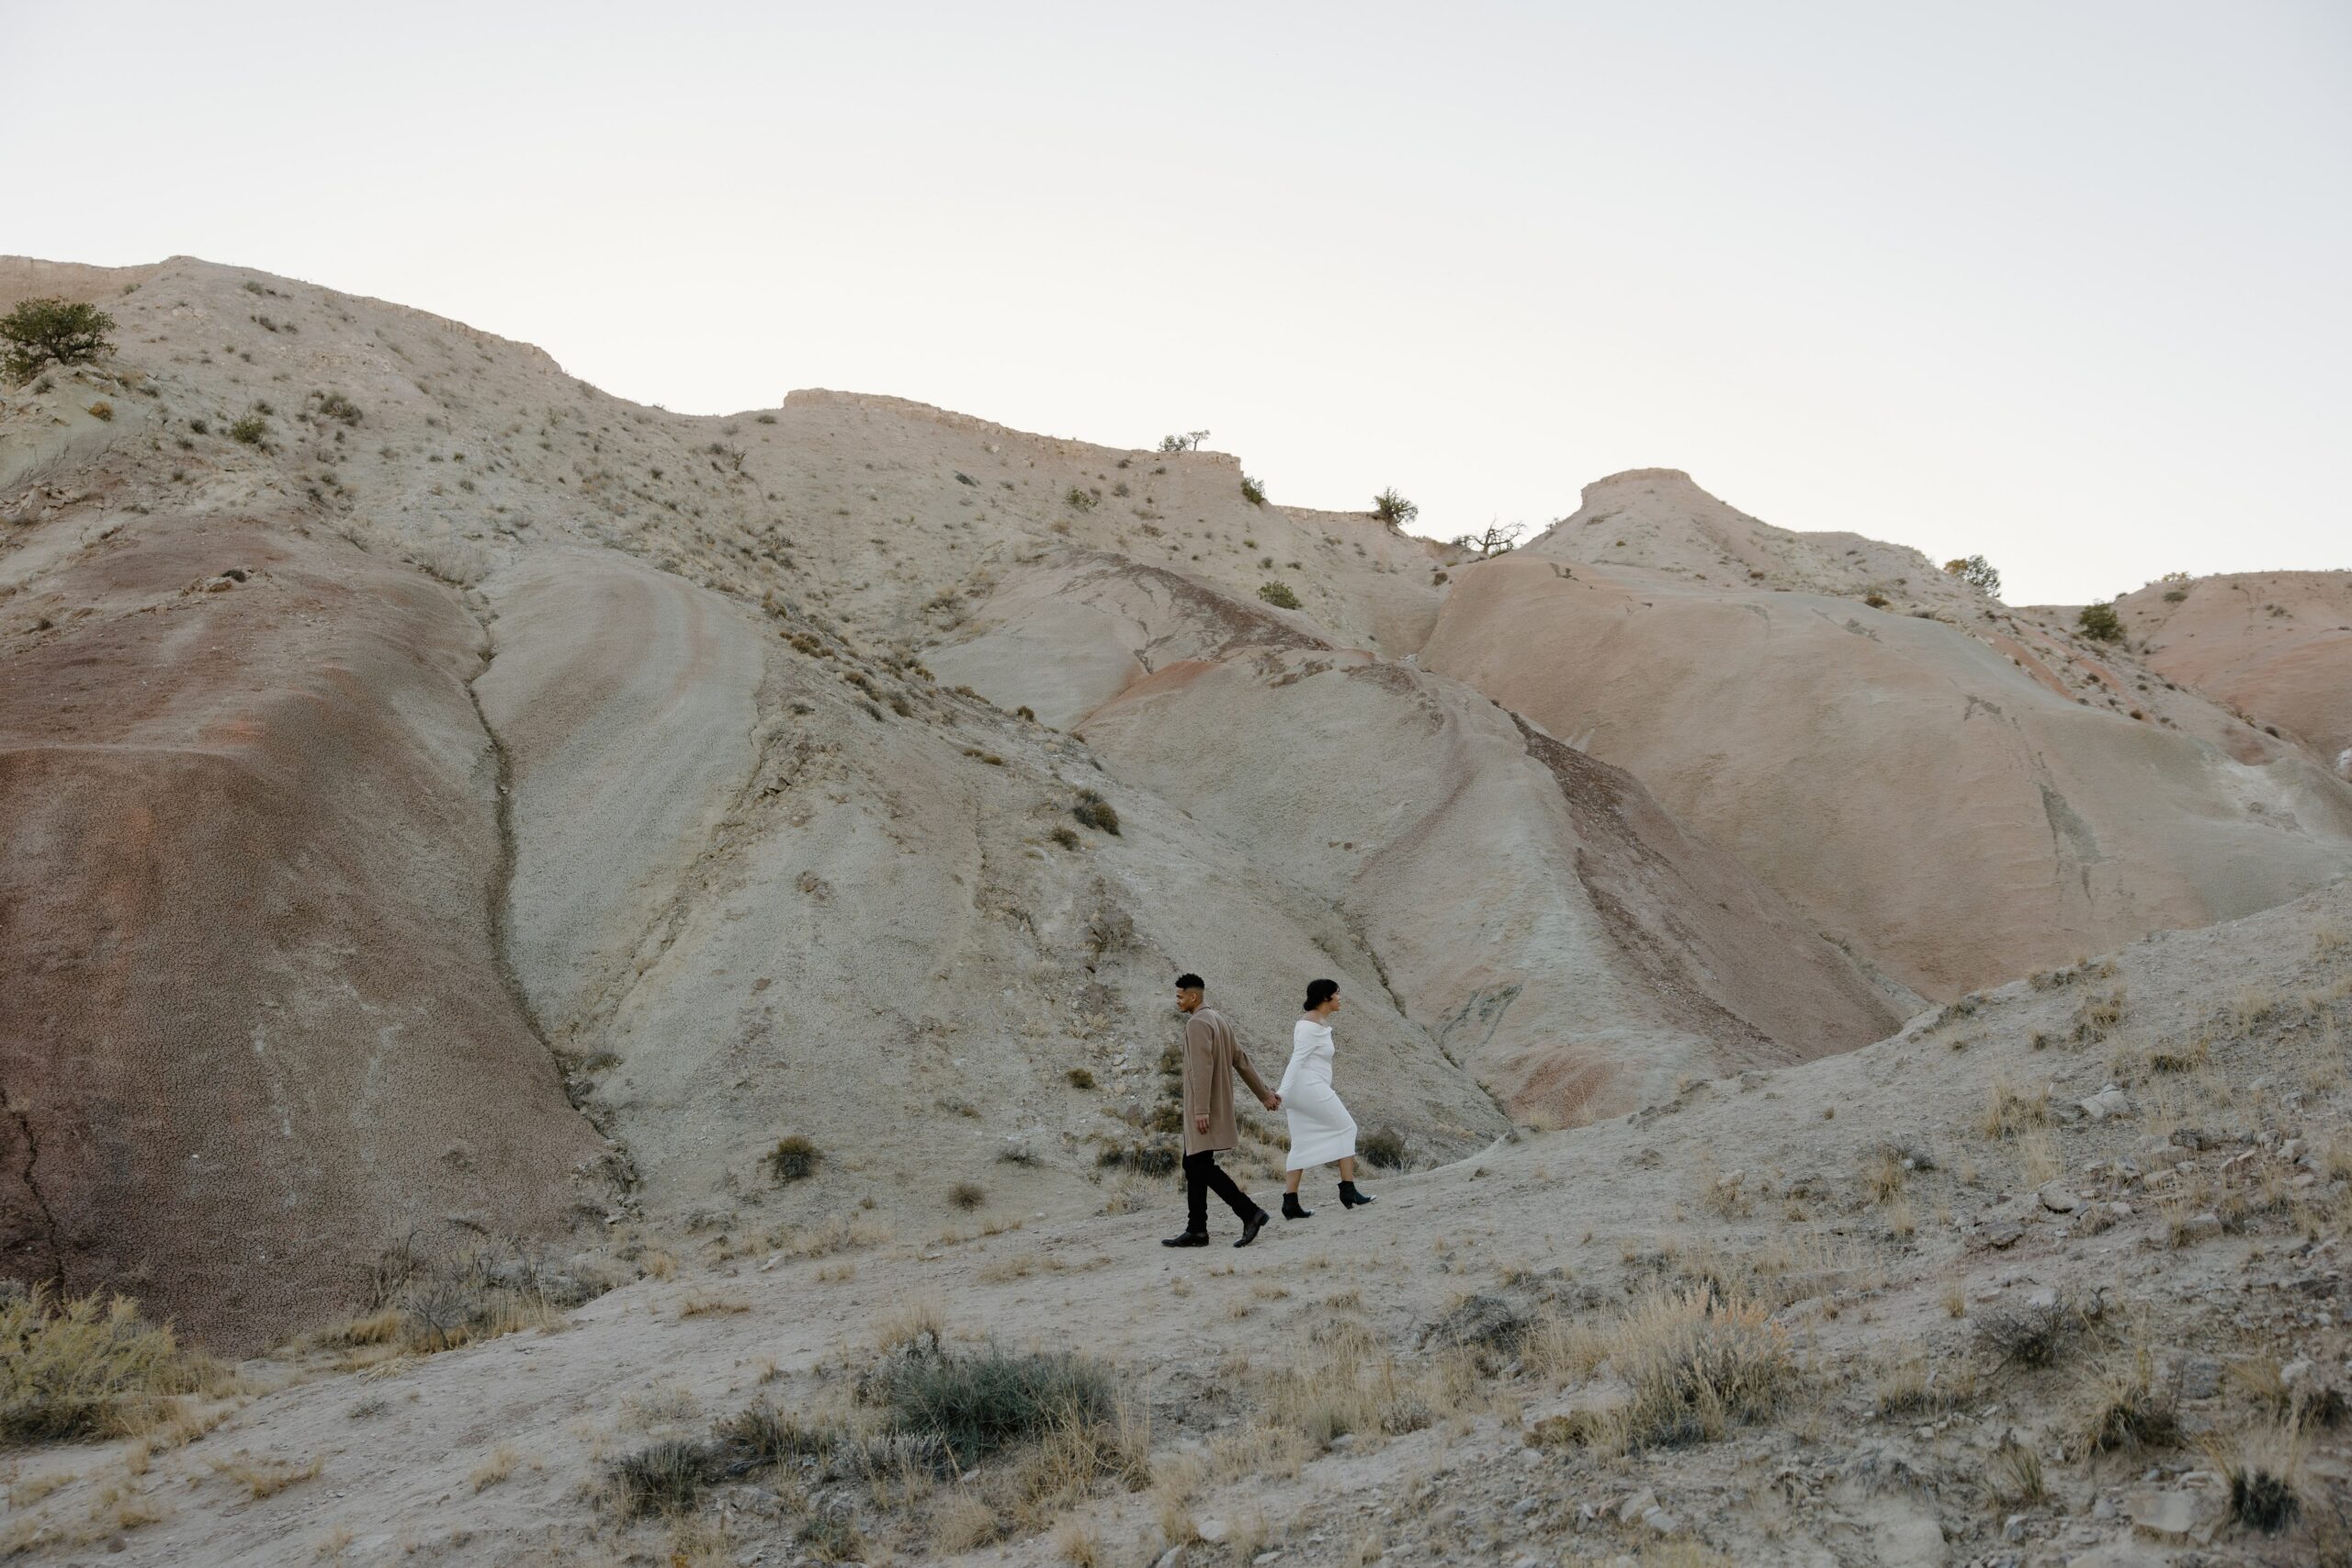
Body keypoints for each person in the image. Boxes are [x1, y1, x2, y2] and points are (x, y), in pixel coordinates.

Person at [1164, 973, 1281, 1249]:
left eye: (1180, 996)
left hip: (1203, 1108)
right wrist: (1264, 1095)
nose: (1177, 1001)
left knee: (1198, 1165)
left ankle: (1249, 1212)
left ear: (1194, 997)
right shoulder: (1219, 1020)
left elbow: (1201, 1068)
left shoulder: (1197, 1023)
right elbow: (1241, 1059)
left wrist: (1201, 1109)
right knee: (1193, 1164)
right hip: (1215, 1106)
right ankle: (1197, 1230)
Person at [1277, 978, 1374, 1218]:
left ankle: (1290, 1203)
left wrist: (1286, 1093)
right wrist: (1281, 1092)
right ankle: (1348, 1189)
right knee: (1347, 1128)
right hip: (1309, 1086)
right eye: (1337, 994)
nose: (1340, 998)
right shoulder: (1310, 1026)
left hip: (1302, 1089)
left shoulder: (1314, 1022)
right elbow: (1296, 1061)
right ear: (1325, 998)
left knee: (1300, 1143)